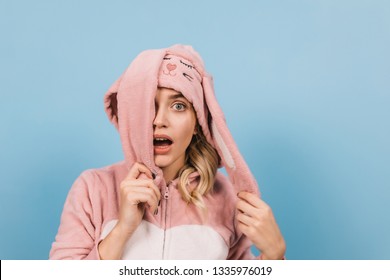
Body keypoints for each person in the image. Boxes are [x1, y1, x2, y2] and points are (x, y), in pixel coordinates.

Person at [49, 45, 286, 260]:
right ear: (132, 115)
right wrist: (122, 230)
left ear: (197, 123)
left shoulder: (227, 198)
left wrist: (274, 256)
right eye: (148, 105)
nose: (159, 120)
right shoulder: (93, 189)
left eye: (178, 105)